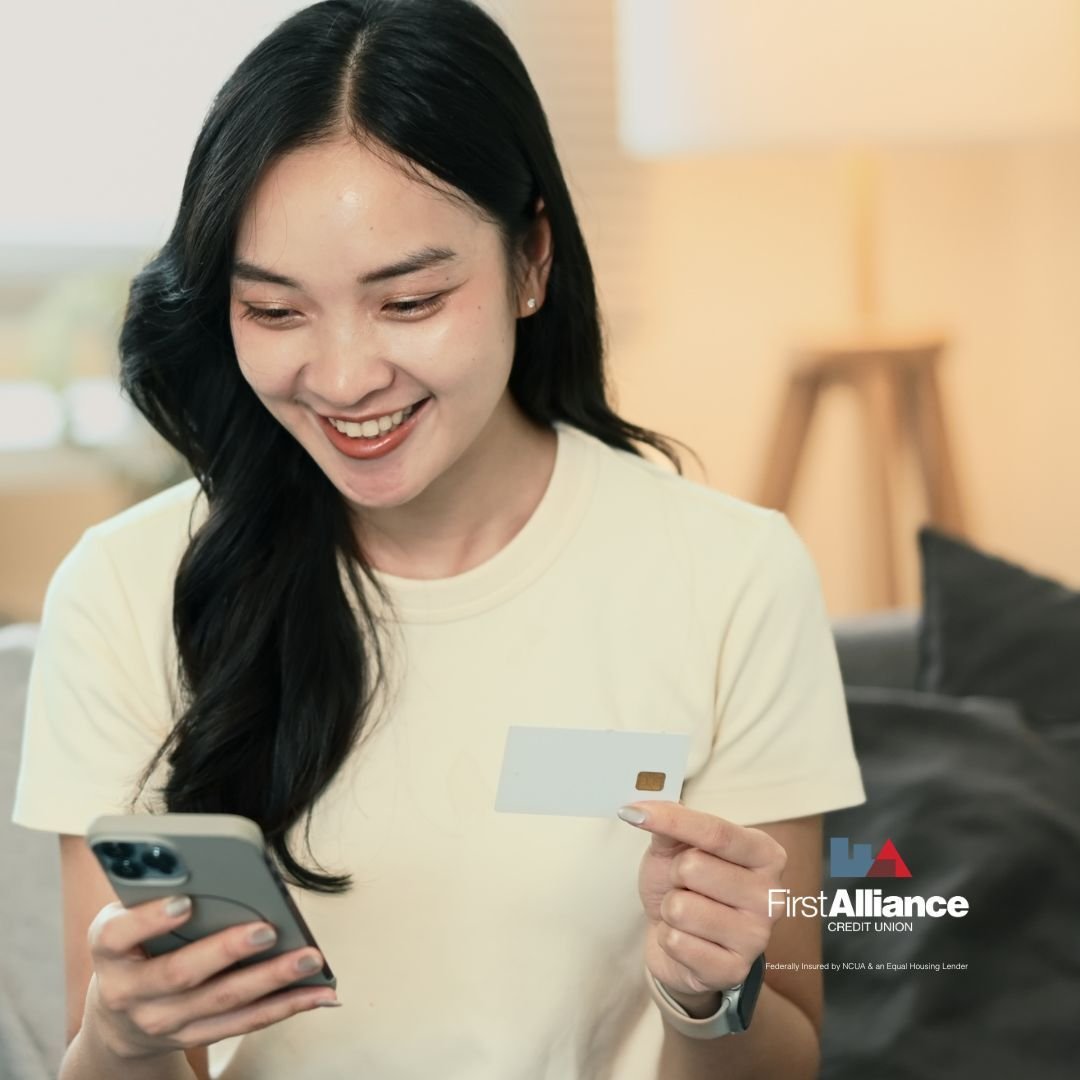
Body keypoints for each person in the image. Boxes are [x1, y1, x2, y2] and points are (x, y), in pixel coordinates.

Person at [10, 1, 866, 1077]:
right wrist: (126, 1039)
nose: (344, 376)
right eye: (275, 312)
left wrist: (705, 1001)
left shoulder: (732, 577)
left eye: (408, 300)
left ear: (530, 260)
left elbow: (787, 1056)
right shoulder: (128, 588)